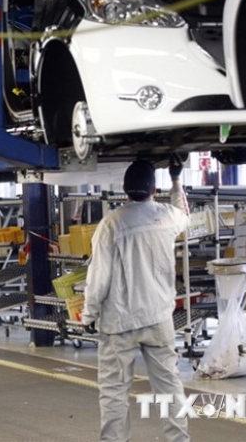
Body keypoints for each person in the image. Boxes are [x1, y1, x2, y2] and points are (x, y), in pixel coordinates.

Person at [81, 158, 191, 442]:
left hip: (119, 322)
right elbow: (184, 214)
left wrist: (89, 314)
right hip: (158, 318)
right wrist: (176, 180)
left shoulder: (110, 224)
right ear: (155, 188)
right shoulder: (166, 215)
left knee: (115, 392)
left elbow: (99, 276)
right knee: (170, 388)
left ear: (124, 189)